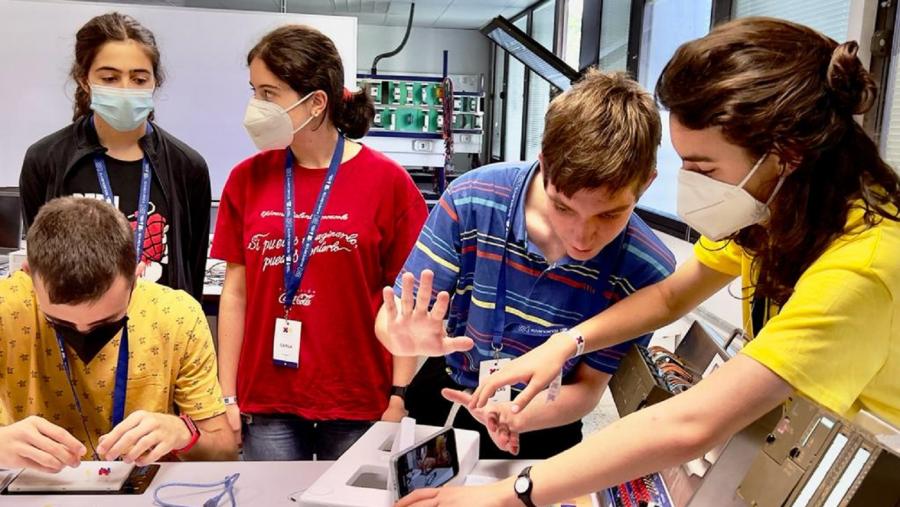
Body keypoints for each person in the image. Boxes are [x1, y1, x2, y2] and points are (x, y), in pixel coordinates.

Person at [395, 17, 900, 506]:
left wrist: (512, 494)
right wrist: (566, 342)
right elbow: (671, 297)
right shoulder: (779, 214)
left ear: (786, 154)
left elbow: (690, 424)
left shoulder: (861, 268)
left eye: (704, 168)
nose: (690, 183)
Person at [375, 69, 676, 459]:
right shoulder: (473, 199)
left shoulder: (646, 268)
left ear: (646, 183)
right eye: (563, 207)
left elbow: (588, 388)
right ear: (544, 164)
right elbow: (393, 321)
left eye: (609, 215)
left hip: (546, 418)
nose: (582, 237)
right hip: (448, 394)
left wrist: (516, 416)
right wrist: (399, 337)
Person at [211, 24, 427, 461]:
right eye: (254, 91)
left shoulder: (388, 184)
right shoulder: (246, 179)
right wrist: (226, 394)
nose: (256, 107)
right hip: (267, 397)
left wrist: (399, 394)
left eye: (269, 94)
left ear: (316, 103)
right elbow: (235, 294)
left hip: (357, 398)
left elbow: (406, 302)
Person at [0, 197, 236, 473]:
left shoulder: (176, 315)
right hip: (28, 484)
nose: (83, 336)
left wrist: (183, 433)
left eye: (105, 323)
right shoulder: (6, 308)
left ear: (136, 275)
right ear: (28, 274)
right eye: (60, 323)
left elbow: (225, 451)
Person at [19, 12, 211, 301]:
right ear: (84, 80)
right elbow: (41, 265)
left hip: (161, 323)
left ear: (155, 82)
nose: (125, 90)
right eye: (109, 78)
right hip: (76, 322)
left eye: (139, 79)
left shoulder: (187, 166)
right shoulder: (45, 160)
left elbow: (192, 270)